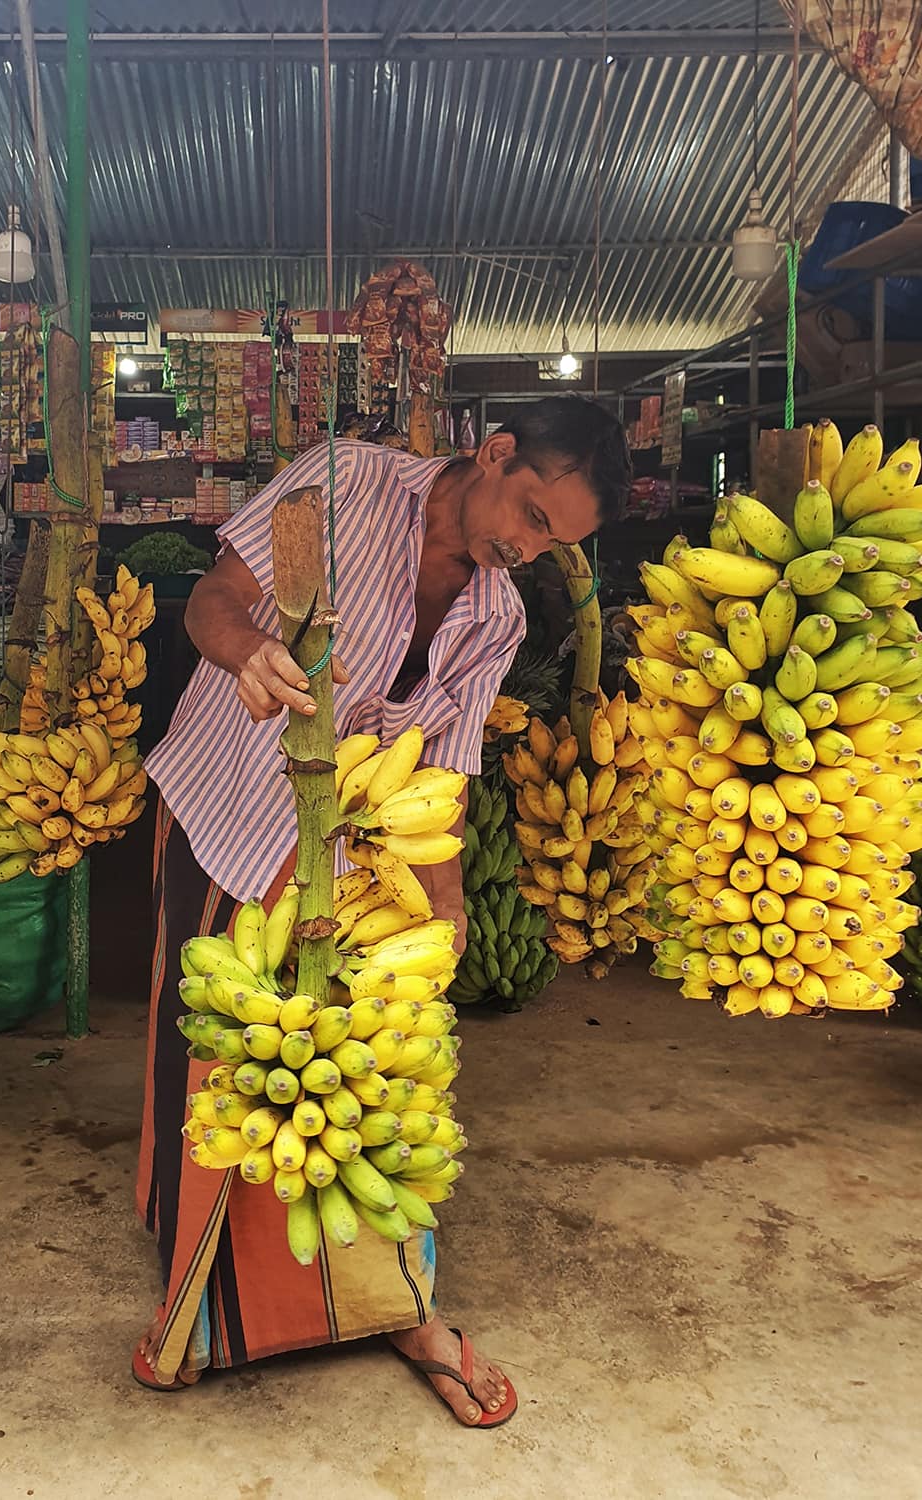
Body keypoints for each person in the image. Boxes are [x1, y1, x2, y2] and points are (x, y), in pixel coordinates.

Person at [134, 394, 631, 1426]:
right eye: (532, 517)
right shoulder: (343, 480)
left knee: (364, 1075)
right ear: (495, 455)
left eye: (554, 543)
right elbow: (210, 601)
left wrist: (440, 911)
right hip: (234, 807)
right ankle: (201, 1305)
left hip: (355, 860)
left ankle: (398, 1306)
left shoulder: (496, 611)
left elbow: (445, 771)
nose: (526, 550)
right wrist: (247, 655)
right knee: (227, 1068)